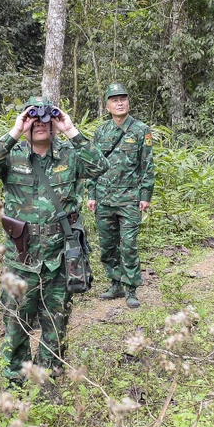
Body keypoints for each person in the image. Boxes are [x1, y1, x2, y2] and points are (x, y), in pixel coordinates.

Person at [0, 97, 108, 383]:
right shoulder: (11, 156)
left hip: (59, 258)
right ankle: (14, 381)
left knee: (56, 323)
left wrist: (70, 129)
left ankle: (48, 379)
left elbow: (100, 166)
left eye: (46, 119)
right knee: (16, 323)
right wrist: (16, 130)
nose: (40, 123)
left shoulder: (69, 155)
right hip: (21, 258)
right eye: (33, 118)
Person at [86, 83, 155, 308]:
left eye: (123, 99)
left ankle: (131, 288)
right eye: (114, 100)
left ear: (128, 102)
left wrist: (145, 195)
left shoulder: (141, 130)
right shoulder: (101, 131)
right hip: (104, 199)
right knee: (107, 245)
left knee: (128, 244)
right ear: (107, 106)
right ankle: (115, 283)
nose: (119, 103)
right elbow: (94, 165)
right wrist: (91, 193)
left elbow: (147, 165)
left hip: (130, 198)